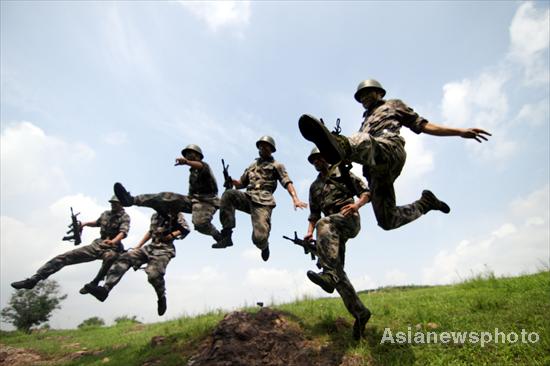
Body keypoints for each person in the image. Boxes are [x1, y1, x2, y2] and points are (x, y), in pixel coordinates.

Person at [299, 79, 492, 230]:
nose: (364, 98)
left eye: (367, 93)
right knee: (386, 220)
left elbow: (424, 125)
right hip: (375, 169)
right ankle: (426, 203)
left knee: (362, 141)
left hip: (390, 149)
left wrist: (459, 131)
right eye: (361, 97)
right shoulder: (364, 122)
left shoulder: (392, 105)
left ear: (379, 93)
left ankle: (339, 143)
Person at [304, 147, 372, 340]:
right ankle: (361, 313)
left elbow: (366, 192)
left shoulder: (342, 173)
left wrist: (357, 205)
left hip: (348, 219)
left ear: (326, 157)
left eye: (319, 157)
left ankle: (328, 274)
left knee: (324, 223)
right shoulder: (314, 187)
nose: (316, 162)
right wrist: (309, 234)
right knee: (338, 274)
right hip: (331, 229)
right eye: (313, 160)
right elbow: (314, 214)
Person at [213, 135, 308, 261]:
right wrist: (231, 180)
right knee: (228, 194)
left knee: (259, 238)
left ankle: (264, 246)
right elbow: (241, 183)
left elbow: (287, 182)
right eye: (261, 145)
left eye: (266, 145)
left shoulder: (276, 165)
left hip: (263, 202)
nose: (263, 147)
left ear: (271, 149)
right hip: (248, 197)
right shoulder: (252, 166)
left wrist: (295, 198)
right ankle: (227, 235)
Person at [11, 196, 130, 293]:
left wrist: (113, 241)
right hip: (97, 245)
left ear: (121, 204)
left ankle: (95, 283)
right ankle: (34, 280)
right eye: (112, 203)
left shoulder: (124, 217)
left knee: (110, 258)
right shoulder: (106, 214)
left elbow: (123, 232)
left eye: (115, 203)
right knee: (64, 257)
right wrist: (84, 223)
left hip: (113, 247)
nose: (113, 205)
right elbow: (98, 222)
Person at [85, 210, 190, 316]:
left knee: (153, 275)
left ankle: (161, 297)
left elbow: (185, 228)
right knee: (124, 258)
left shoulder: (175, 214)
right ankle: (105, 290)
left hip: (164, 249)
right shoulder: (155, 215)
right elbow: (150, 232)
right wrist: (138, 246)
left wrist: (171, 235)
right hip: (150, 247)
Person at [114, 144, 221, 241]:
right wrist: (175, 206)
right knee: (166, 196)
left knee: (200, 224)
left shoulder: (204, 167)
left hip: (208, 203)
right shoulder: (192, 175)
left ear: (198, 156)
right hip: (193, 201)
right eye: (186, 154)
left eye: (190, 153)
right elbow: (190, 195)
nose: (187, 155)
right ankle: (131, 200)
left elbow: (200, 166)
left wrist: (187, 162)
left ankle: (218, 235)